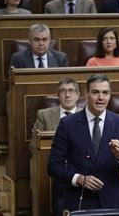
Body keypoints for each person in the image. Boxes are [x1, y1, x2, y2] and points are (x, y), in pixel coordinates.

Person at [48, 74, 119, 211]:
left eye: (105, 93)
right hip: (78, 202)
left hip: (110, 204)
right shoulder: (68, 124)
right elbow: (53, 167)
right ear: (86, 94)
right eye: (95, 92)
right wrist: (78, 179)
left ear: (109, 95)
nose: (101, 97)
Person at [31, 78, 81, 216]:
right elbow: (33, 145)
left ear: (78, 95)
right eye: (63, 91)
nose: (67, 95)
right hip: (52, 168)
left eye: (71, 91)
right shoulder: (44, 115)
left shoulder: (87, 114)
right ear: (58, 95)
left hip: (80, 168)